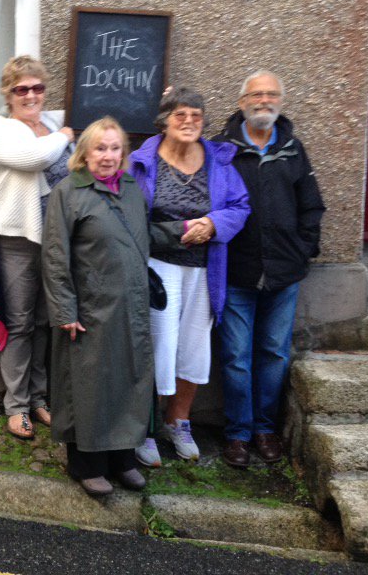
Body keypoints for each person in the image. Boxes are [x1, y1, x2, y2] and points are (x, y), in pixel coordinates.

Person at [128, 87, 249, 465]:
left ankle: (177, 421)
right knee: (157, 345)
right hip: (157, 267)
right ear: (163, 121)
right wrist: (177, 230)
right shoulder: (142, 161)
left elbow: (240, 205)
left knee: (194, 348)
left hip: (205, 268)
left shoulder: (218, 161)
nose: (189, 121)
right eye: (180, 114)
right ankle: (144, 427)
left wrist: (213, 224)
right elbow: (129, 215)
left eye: (196, 115)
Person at [214, 71, 324, 467]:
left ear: (281, 101)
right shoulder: (222, 149)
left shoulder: (293, 149)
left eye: (271, 94)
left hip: (284, 273)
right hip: (236, 272)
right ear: (242, 102)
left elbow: (311, 205)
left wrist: (304, 250)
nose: (264, 100)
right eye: (256, 94)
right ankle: (238, 434)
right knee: (235, 356)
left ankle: (264, 428)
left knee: (274, 354)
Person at [43, 116, 153, 496]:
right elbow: (54, 255)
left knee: (127, 381)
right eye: (100, 148)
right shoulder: (68, 192)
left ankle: (122, 459)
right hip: (89, 307)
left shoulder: (131, 189)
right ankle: (87, 465)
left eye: (114, 148)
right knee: (89, 385)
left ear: (123, 153)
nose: (107, 156)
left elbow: (142, 236)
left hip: (129, 305)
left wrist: (187, 231)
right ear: (85, 153)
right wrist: (64, 309)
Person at [0, 55, 74, 439]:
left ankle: (39, 398)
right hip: (19, 238)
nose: (30, 95)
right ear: (8, 95)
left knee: (44, 322)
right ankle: (16, 405)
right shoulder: (3, 131)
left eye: (37, 87)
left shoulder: (52, 124)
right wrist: (66, 137)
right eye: (21, 89)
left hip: (57, 240)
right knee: (20, 323)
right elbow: (36, 157)